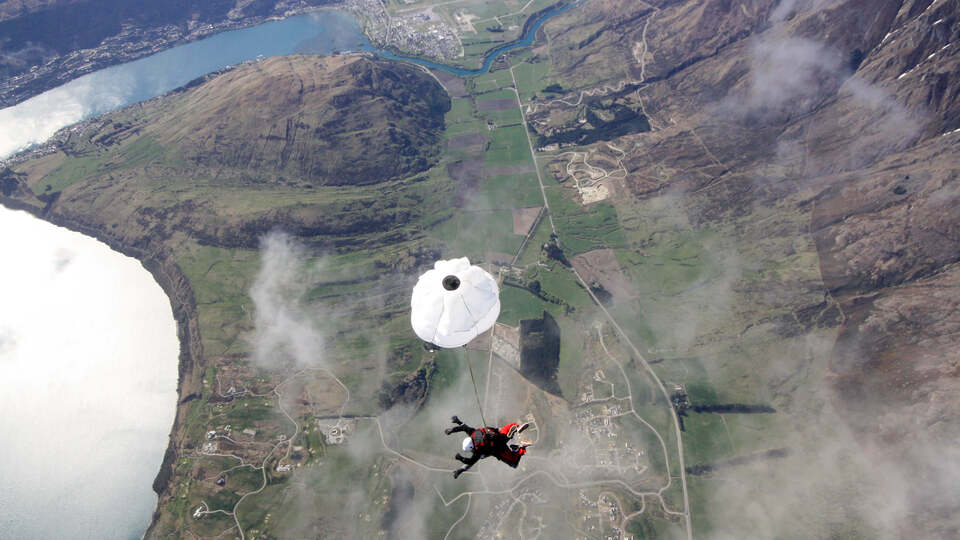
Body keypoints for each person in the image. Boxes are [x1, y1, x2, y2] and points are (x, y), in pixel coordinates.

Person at [444, 415, 530, 478]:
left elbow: (470, 462)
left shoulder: (478, 451)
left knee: (514, 463)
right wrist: (454, 425)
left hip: (499, 449)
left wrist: (460, 460)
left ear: (471, 448)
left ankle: (521, 447)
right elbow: (463, 427)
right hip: (498, 434)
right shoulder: (472, 433)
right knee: (505, 430)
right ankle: (515, 428)